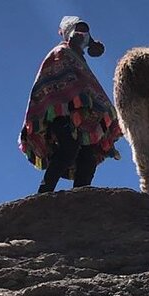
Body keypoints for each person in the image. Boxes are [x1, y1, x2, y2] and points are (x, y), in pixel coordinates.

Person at [18, 16, 123, 193]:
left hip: (83, 118)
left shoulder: (81, 60)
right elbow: (56, 86)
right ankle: (44, 192)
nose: (83, 35)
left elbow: (88, 88)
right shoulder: (61, 53)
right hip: (60, 113)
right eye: (79, 31)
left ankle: (80, 196)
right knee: (69, 147)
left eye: (86, 32)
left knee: (88, 158)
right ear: (69, 33)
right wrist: (73, 101)